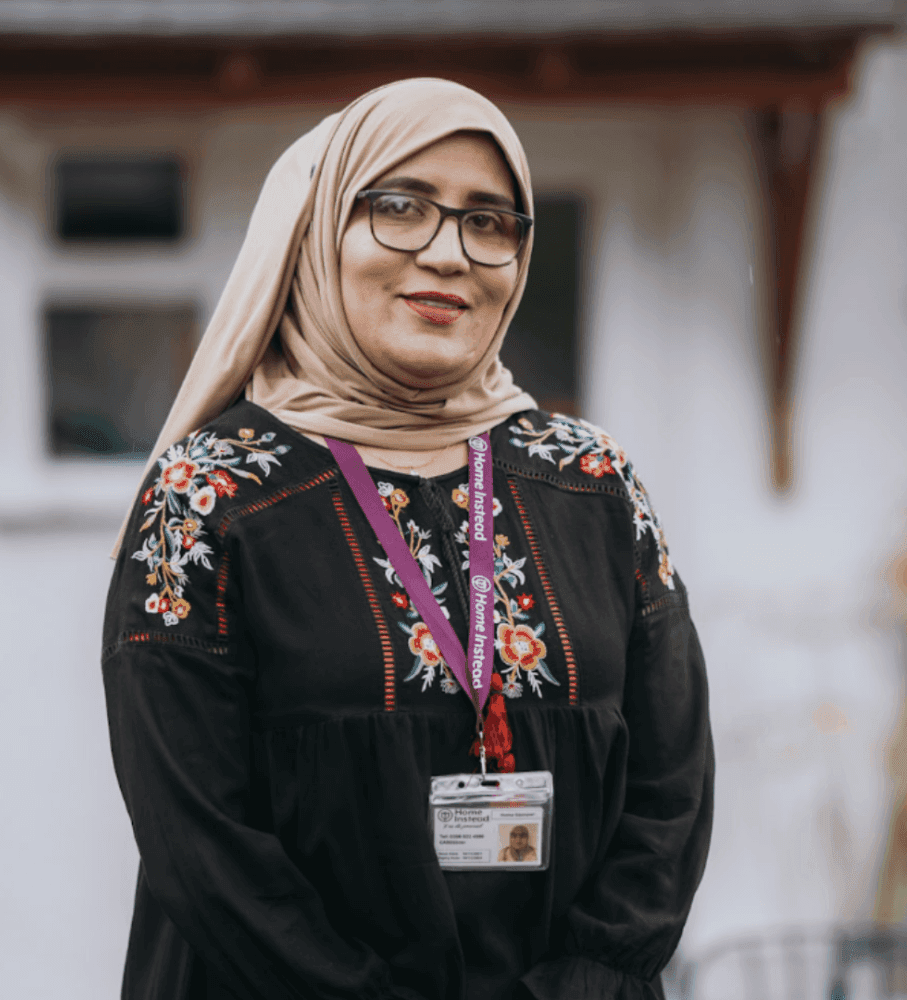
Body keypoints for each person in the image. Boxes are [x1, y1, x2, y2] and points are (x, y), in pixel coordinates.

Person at [102, 77, 714, 1000]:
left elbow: (671, 792)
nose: (448, 252)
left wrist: (584, 981)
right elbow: (202, 842)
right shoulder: (207, 496)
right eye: (398, 207)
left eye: (489, 221)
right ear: (317, 232)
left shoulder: (592, 484)